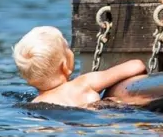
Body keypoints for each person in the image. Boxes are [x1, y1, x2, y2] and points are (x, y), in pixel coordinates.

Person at [13, 26, 147, 108]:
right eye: (67, 48)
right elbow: (136, 66)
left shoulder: (35, 103)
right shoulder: (83, 83)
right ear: (65, 65)